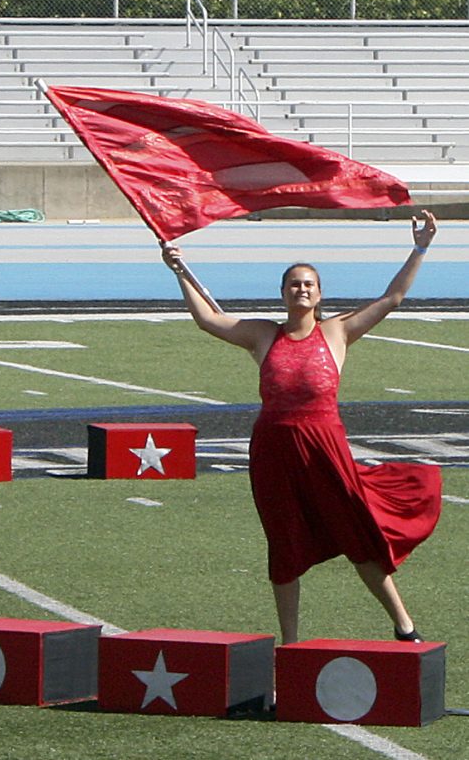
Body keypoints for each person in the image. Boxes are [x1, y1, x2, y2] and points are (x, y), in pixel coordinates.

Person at [162, 210, 442, 645]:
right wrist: (178, 270)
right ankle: (290, 643)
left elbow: (392, 299)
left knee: (358, 534)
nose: (302, 289)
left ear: (319, 293)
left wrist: (420, 248)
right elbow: (208, 321)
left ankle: (405, 626)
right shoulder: (261, 335)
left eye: (309, 283)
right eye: (294, 284)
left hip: (326, 447)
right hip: (274, 450)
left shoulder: (338, 332)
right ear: (283, 293)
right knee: (285, 544)